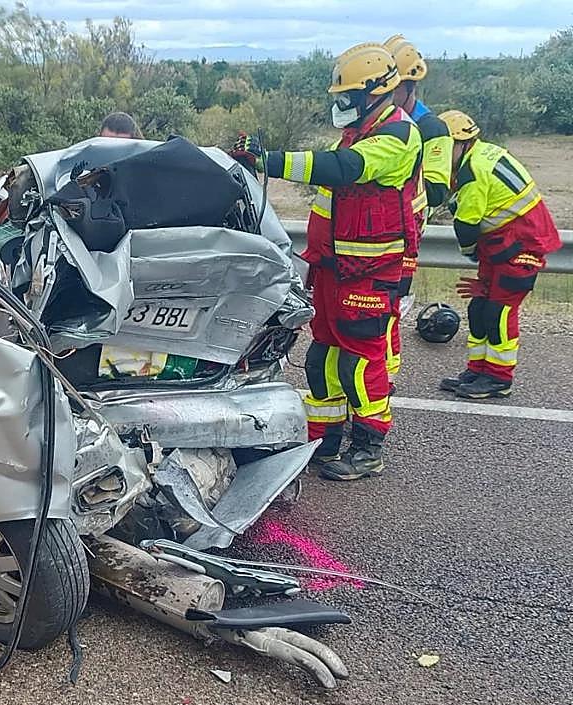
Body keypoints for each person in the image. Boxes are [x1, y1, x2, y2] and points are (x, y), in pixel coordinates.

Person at [230, 43, 420, 481]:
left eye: (347, 97)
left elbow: (340, 169)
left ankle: (369, 447)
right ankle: (324, 439)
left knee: (360, 359)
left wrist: (268, 160)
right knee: (322, 357)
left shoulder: (397, 136)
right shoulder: (360, 131)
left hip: (369, 274)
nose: (342, 105)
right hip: (335, 269)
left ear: (376, 93)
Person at [436, 110, 561, 399]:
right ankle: (478, 370)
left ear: (460, 143)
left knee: (498, 313)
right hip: (500, 245)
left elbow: (466, 225)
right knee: (479, 307)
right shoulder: (478, 154)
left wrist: (471, 253)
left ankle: (498, 379)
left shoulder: (472, 172)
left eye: (442, 148)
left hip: (522, 244)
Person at [383, 34, 452, 378]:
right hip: (376, 235)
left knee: (387, 314)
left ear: (410, 87)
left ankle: (382, 390)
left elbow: (438, 190)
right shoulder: (381, 123)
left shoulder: (431, 127)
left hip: (404, 235)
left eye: (394, 88)